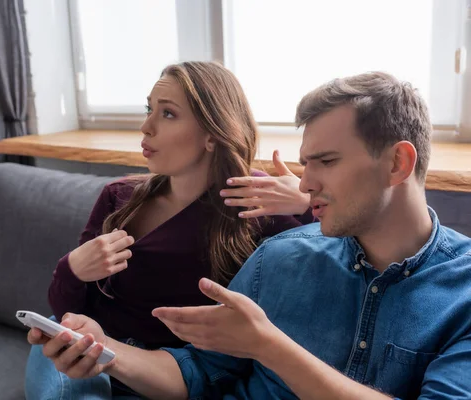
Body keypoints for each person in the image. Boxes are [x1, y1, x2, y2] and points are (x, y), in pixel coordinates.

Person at [29, 71, 471, 399]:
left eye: (327, 162)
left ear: (397, 163)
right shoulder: (279, 259)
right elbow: (195, 372)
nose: (304, 183)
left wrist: (268, 345)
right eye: (306, 164)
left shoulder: (461, 292)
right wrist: (101, 347)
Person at [25, 61, 316, 399]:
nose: (146, 127)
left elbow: (335, 257)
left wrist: (305, 202)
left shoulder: (257, 205)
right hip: (83, 345)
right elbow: (65, 310)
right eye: (149, 109)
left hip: (161, 375)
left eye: (168, 114)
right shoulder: (119, 197)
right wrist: (72, 268)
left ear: (212, 134)